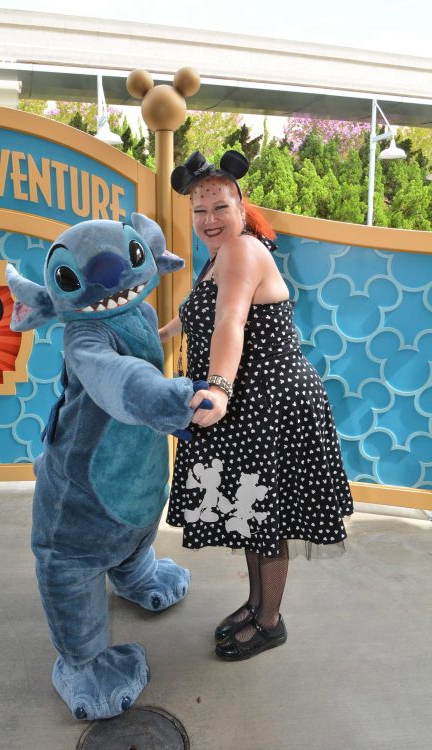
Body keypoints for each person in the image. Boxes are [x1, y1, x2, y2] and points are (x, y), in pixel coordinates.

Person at [160, 149, 353, 662]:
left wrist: (218, 387)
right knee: (252, 515)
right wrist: (151, 337)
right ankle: (255, 604)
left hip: (272, 404)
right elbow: (198, 316)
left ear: (241, 209)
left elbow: (230, 322)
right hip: (251, 406)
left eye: (219, 207)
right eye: (199, 211)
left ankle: (269, 622)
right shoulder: (218, 256)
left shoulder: (243, 250)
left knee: (263, 517)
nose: (208, 220)